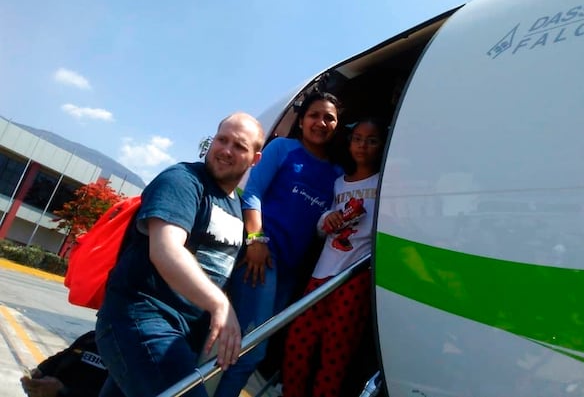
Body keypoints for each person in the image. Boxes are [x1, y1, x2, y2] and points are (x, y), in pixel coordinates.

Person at [94, 112, 264, 397]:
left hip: (183, 336)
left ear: (255, 159)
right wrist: (219, 305)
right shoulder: (183, 180)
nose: (225, 150)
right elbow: (166, 249)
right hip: (142, 320)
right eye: (222, 140)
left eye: (239, 146)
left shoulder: (236, 206)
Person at [214, 90, 343, 397]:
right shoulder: (283, 149)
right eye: (314, 115)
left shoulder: (338, 175)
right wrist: (256, 240)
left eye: (330, 118)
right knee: (251, 349)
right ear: (301, 121)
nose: (321, 122)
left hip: (290, 270)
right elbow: (253, 192)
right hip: (261, 258)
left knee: (250, 346)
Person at [282, 117, 387, 397]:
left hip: (354, 275)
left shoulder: (385, 183)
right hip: (322, 272)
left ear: (382, 145)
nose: (363, 145)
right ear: (349, 142)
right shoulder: (339, 182)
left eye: (372, 140)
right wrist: (328, 219)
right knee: (299, 340)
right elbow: (321, 226)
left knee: (335, 351)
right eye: (357, 139)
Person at [20, 330, 107, 397]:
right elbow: (65, 355)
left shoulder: (119, 352)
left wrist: (62, 391)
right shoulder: (92, 337)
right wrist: (41, 371)